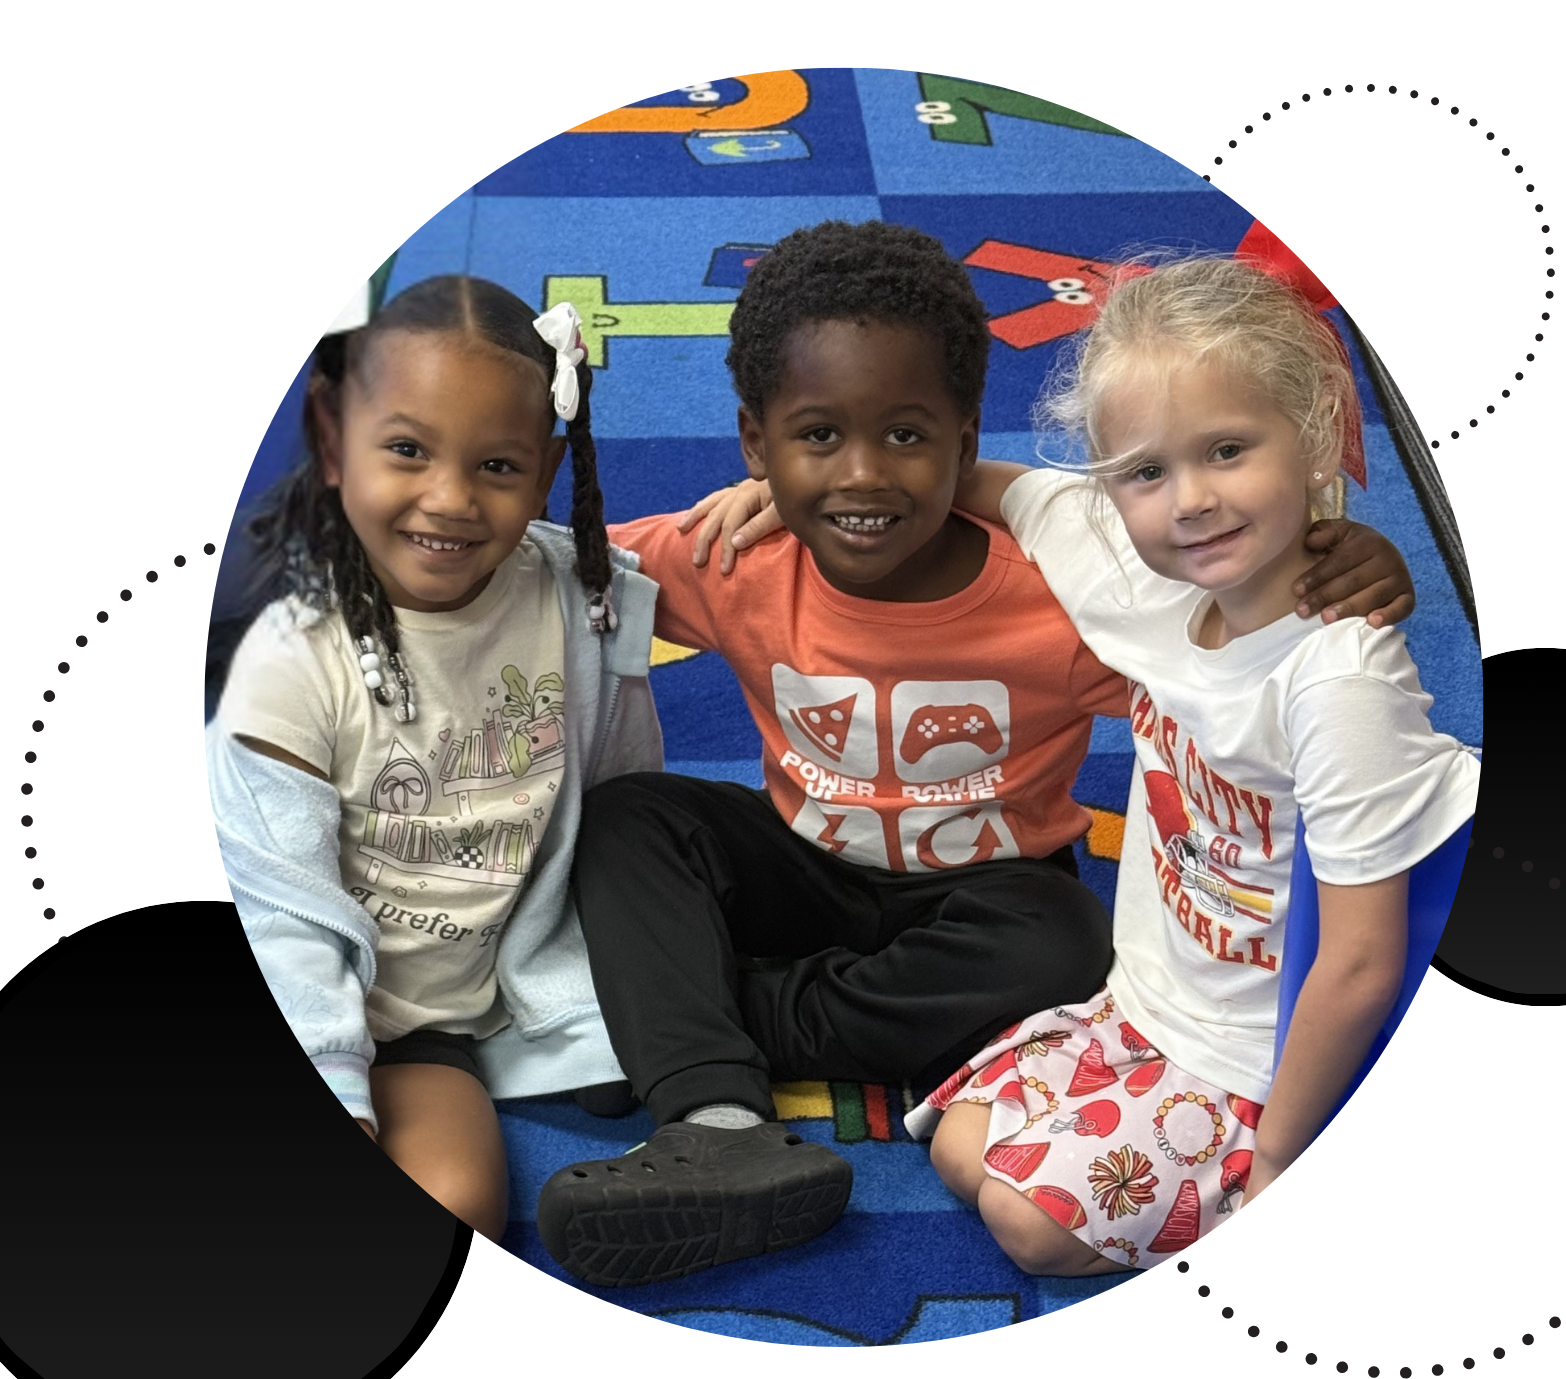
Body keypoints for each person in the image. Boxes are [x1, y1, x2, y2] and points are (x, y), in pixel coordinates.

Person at [536, 223, 1417, 1287]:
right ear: (754, 449)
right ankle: (714, 1116)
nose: (863, 473)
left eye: (907, 435)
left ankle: (678, 1019)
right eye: (816, 436)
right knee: (633, 818)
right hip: (804, 862)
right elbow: (564, 572)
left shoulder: (1073, 596)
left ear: (963, 439)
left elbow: (1231, 627)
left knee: (1062, 941)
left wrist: (1347, 550)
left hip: (987, 899)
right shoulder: (738, 551)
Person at [898, 255, 1478, 1275]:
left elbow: (1357, 964)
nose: (1192, 500)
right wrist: (804, 495)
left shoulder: (1335, 679)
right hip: (1148, 1000)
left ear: (1310, 435)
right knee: (959, 1146)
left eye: (1226, 449)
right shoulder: (1132, 560)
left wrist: (1280, 1161)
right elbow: (984, 488)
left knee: (1027, 1223)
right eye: (1145, 472)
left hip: (1262, 1061)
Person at [206, 276, 663, 1242]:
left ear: (544, 476)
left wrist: (610, 974)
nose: (449, 500)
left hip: (437, 1019)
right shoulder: (288, 659)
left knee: (464, 1210)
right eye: (407, 450)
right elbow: (280, 913)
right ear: (337, 446)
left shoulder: (580, 603)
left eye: (497, 465)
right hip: (288, 978)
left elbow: (626, 797)